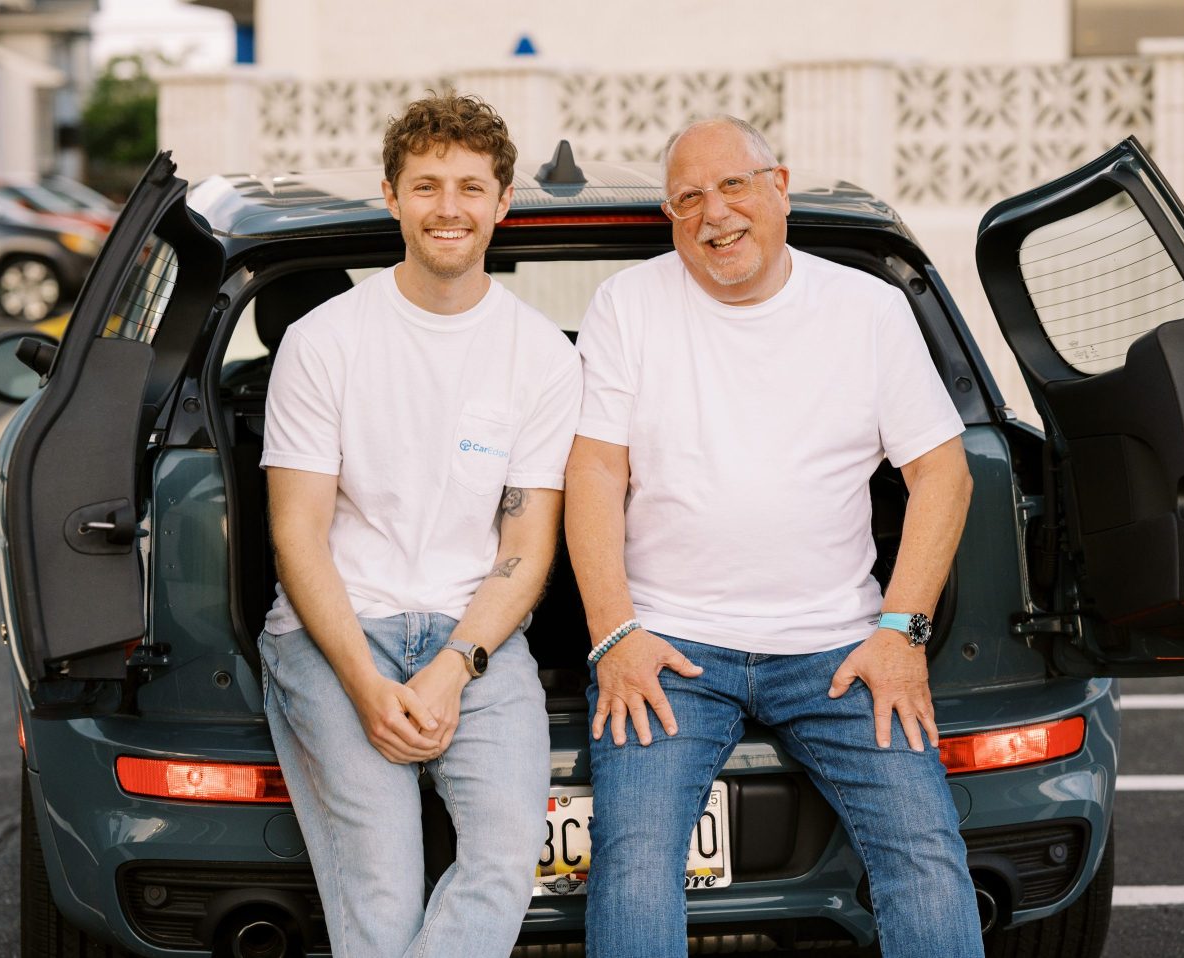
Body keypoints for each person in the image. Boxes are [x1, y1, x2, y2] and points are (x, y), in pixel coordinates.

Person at [565, 116, 984, 958]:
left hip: (840, 649)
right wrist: (615, 634)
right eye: (688, 198)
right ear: (670, 217)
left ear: (779, 186)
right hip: (671, 650)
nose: (714, 213)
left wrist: (901, 633)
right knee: (634, 862)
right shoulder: (628, 304)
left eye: (733, 185)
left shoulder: (868, 310)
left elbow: (944, 473)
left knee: (925, 853)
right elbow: (596, 472)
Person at [259, 93, 581, 957]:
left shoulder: (542, 357)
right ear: (392, 196)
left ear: (502, 202)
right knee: (383, 888)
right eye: (427, 185)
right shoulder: (324, 342)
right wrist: (366, 686)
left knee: (507, 856)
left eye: (470, 187)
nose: (449, 208)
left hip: (474, 637)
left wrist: (453, 667)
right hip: (334, 631)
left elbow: (525, 548)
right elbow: (297, 536)